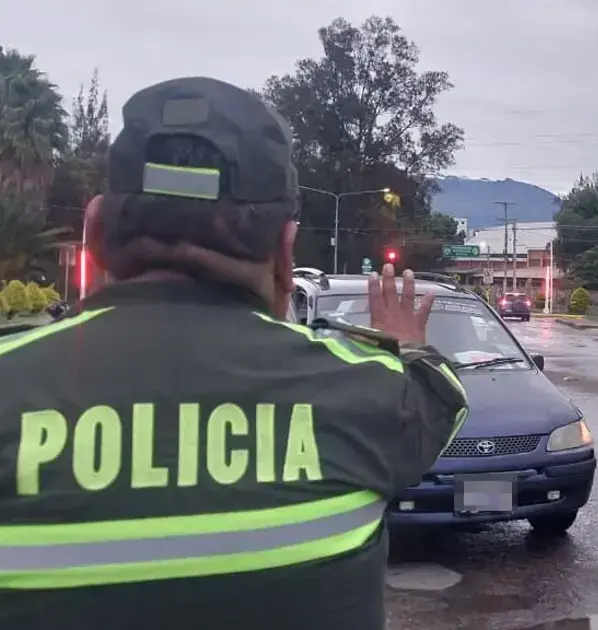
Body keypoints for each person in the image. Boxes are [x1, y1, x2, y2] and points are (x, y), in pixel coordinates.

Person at [0, 77, 469, 630]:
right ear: (285, 250)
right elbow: (438, 390)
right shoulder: (370, 397)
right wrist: (401, 340)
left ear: (96, 230)